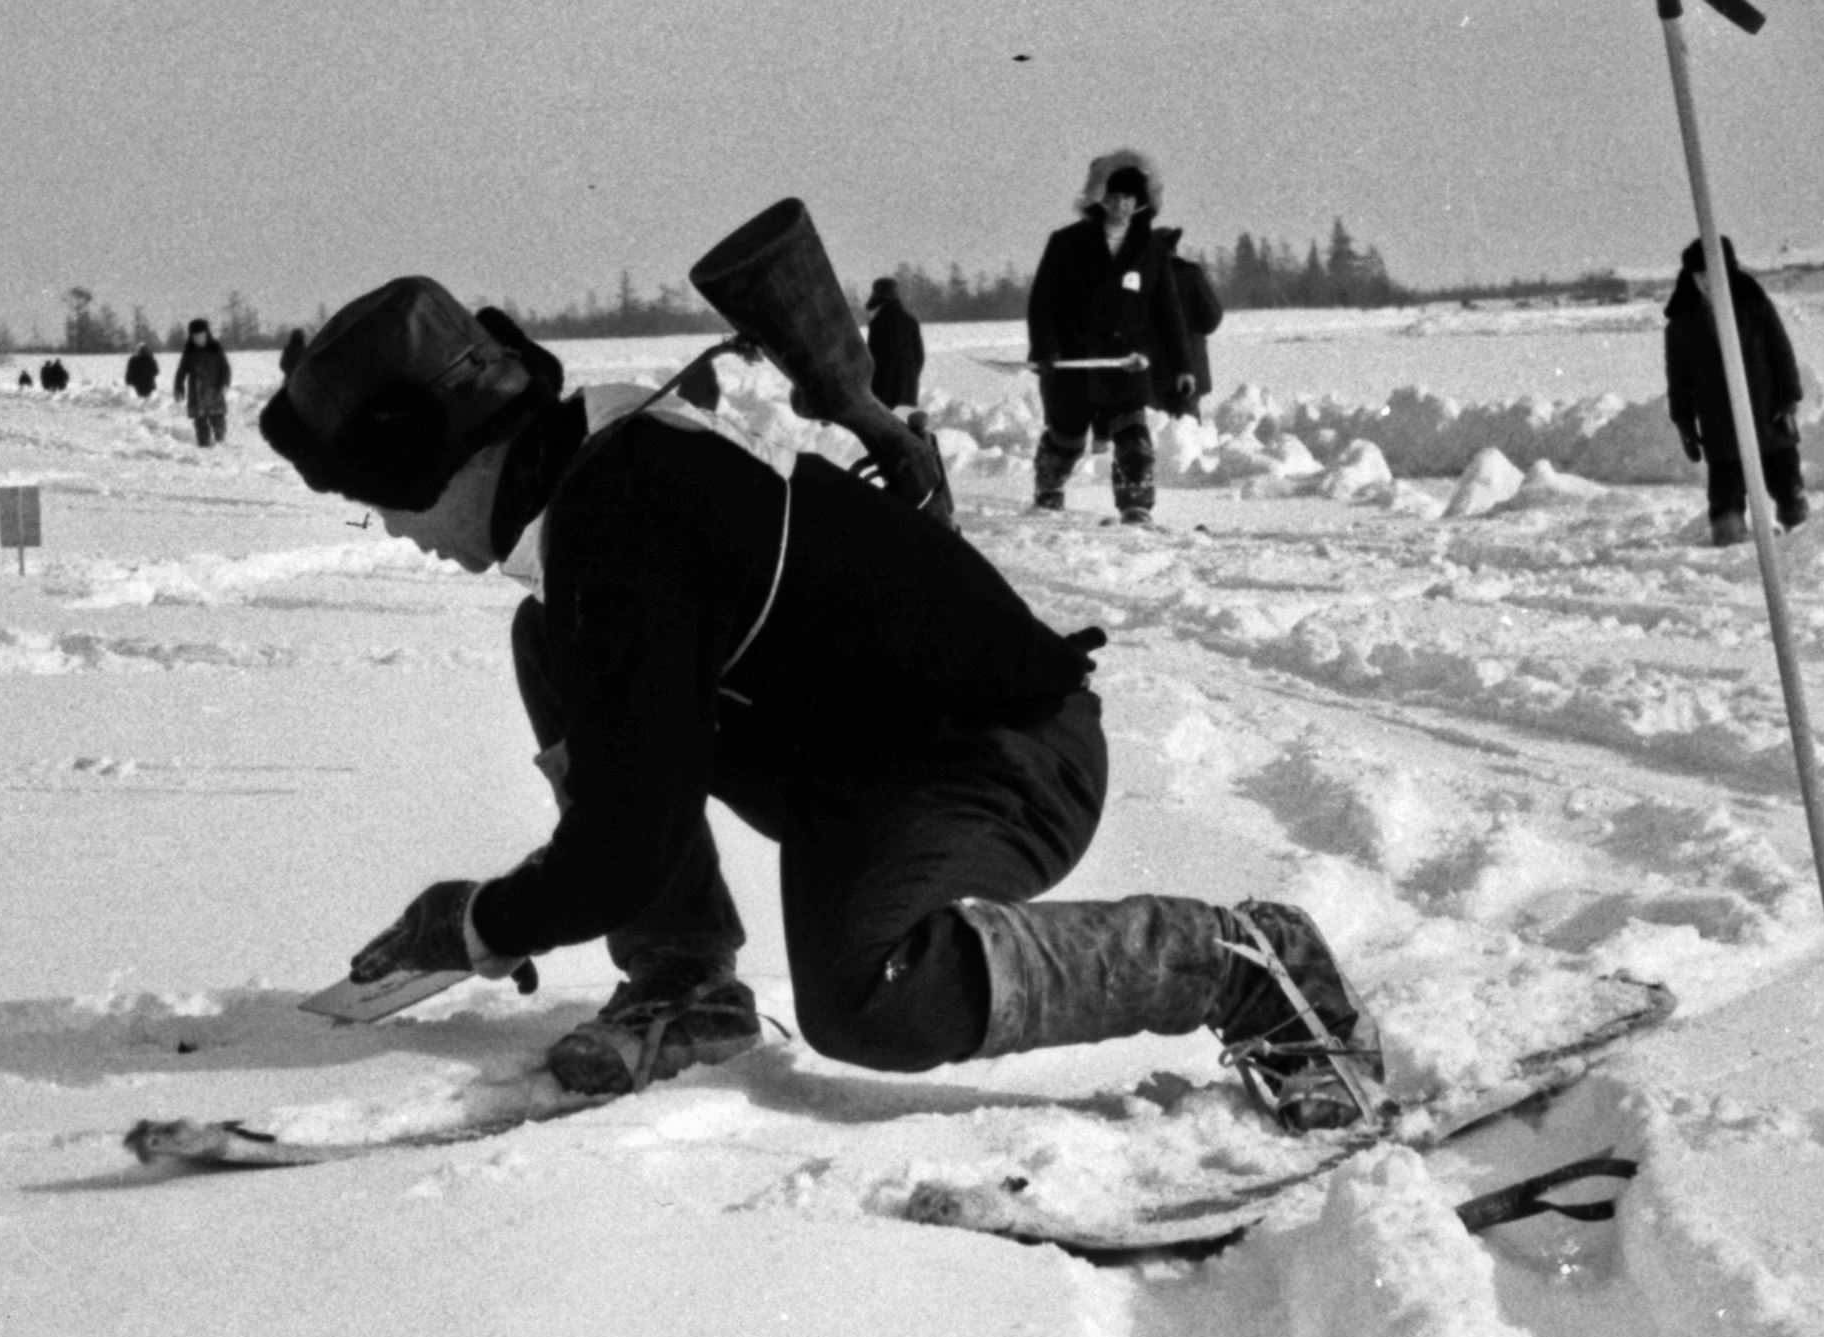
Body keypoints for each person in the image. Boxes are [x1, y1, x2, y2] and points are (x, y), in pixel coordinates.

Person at [259, 275, 1381, 1132]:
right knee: (546, 634)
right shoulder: (602, 466)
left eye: (378, 503)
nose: (398, 533)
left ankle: (1240, 961)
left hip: (992, 759)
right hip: (866, 766)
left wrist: (475, 923)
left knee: (865, 998)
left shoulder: (620, 520)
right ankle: (683, 980)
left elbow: (626, 831)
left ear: (440, 459)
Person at [1023, 151, 1221, 526]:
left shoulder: (1152, 250)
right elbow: (1043, 301)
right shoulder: (1067, 242)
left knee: (1134, 440)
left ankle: (1136, 506)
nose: (1120, 206)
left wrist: (1182, 365)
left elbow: (1168, 313)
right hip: (1072, 363)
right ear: (1100, 198)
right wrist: (1045, 349)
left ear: (1141, 202)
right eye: (1113, 197)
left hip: (1124, 364)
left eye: (1128, 198)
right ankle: (1048, 490)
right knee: (1066, 438)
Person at [1664, 236, 1809, 545]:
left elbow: (1781, 353)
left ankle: (1799, 536)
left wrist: (1788, 400)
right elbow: (1679, 381)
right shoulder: (1682, 323)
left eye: (1712, 274)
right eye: (1699, 276)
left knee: (1787, 482)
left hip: (1768, 415)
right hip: (1720, 427)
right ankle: (1731, 539)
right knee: (1725, 494)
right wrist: (1684, 423)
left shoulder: (1754, 306)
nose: (1706, 283)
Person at [864, 276, 926, 415]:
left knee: (883, 432)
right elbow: (919, 357)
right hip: (908, 389)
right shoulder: (910, 321)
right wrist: (910, 378)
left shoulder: (878, 322)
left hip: (882, 390)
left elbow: (871, 358)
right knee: (904, 428)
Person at [173, 318, 232, 447]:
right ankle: (204, 444)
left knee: (218, 419)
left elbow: (225, 368)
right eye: (196, 337)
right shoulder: (189, 350)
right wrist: (178, 387)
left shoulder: (215, 347)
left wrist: (225, 383)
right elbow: (182, 370)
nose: (199, 339)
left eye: (201, 336)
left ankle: (220, 441)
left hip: (214, 390)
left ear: (207, 334)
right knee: (200, 422)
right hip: (196, 392)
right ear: (191, 337)